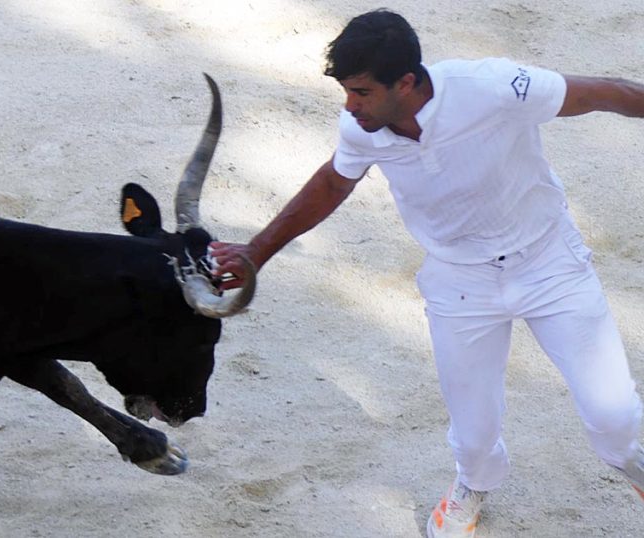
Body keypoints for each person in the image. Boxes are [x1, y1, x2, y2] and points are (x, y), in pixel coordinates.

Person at [209, 8, 644, 538]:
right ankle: (473, 484)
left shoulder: (495, 87)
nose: (349, 106)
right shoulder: (362, 127)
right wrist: (257, 251)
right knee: (473, 436)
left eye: (361, 92)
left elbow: (605, 92)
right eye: (346, 91)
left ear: (406, 82)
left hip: (548, 262)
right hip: (459, 282)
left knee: (615, 417)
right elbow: (334, 182)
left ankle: (631, 461)